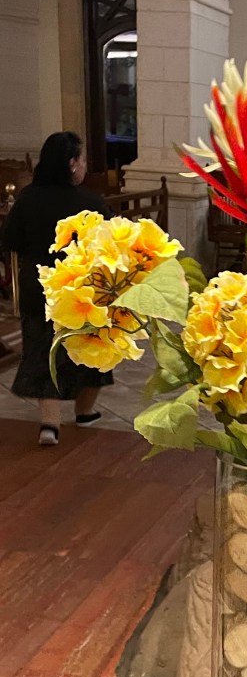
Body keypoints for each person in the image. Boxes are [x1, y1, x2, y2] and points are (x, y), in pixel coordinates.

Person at [0, 132, 112, 446]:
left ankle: (50, 424)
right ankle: (85, 412)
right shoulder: (91, 203)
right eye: (83, 159)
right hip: (80, 293)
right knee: (89, 351)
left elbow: (10, 241)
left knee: (41, 352)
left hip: (39, 289)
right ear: (72, 163)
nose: (85, 165)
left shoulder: (27, 199)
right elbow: (111, 246)